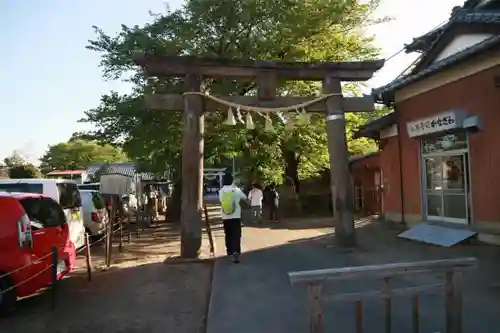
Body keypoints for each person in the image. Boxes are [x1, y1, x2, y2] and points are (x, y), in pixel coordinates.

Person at [219, 173, 247, 263]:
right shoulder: (236, 190)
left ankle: (229, 252)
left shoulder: (221, 191)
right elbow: (244, 197)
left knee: (228, 234)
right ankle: (236, 251)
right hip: (235, 216)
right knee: (236, 235)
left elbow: (221, 201)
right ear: (232, 181)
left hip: (225, 216)